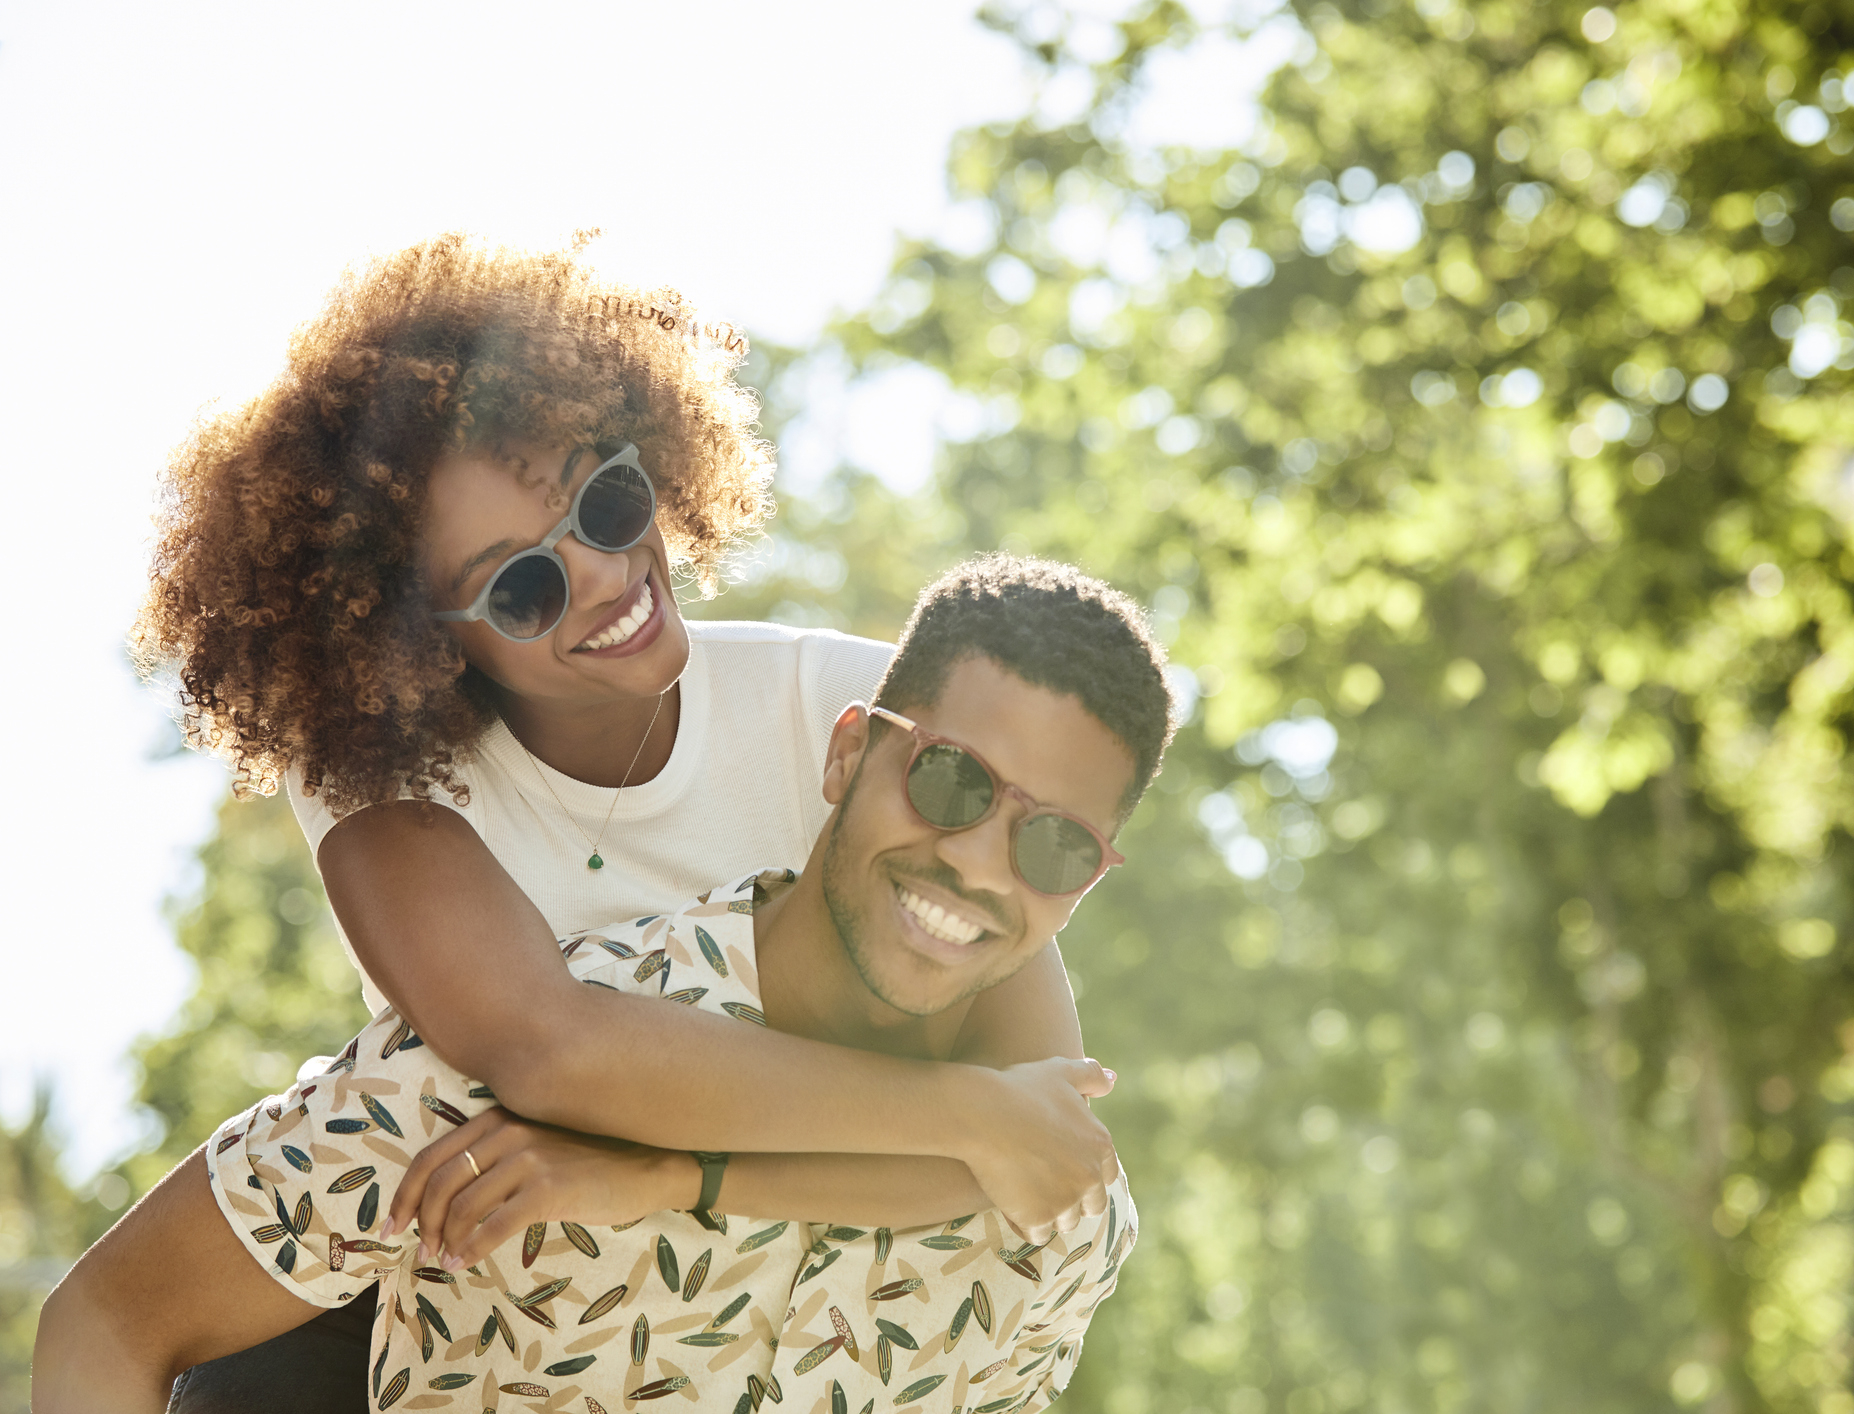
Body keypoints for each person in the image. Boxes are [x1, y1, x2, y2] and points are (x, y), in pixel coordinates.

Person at [121, 237, 1116, 1407]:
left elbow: (1038, 1151)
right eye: (519, 585)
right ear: (415, 641)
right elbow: (546, 1047)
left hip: (718, 1298)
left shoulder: (863, 723)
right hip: (439, 1275)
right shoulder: (381, 779)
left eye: (606, 501)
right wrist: (956, 1111)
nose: (600, 574)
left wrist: (668, 1173)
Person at [37, 556, 1172, 1414]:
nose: (979, 861)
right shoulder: (466, 1062)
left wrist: (681, 1177)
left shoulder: (1057, 1242)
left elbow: (1032, 1149)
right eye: (951, 781)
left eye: (1059, 847)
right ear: (848, 757)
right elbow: (110, 1314)